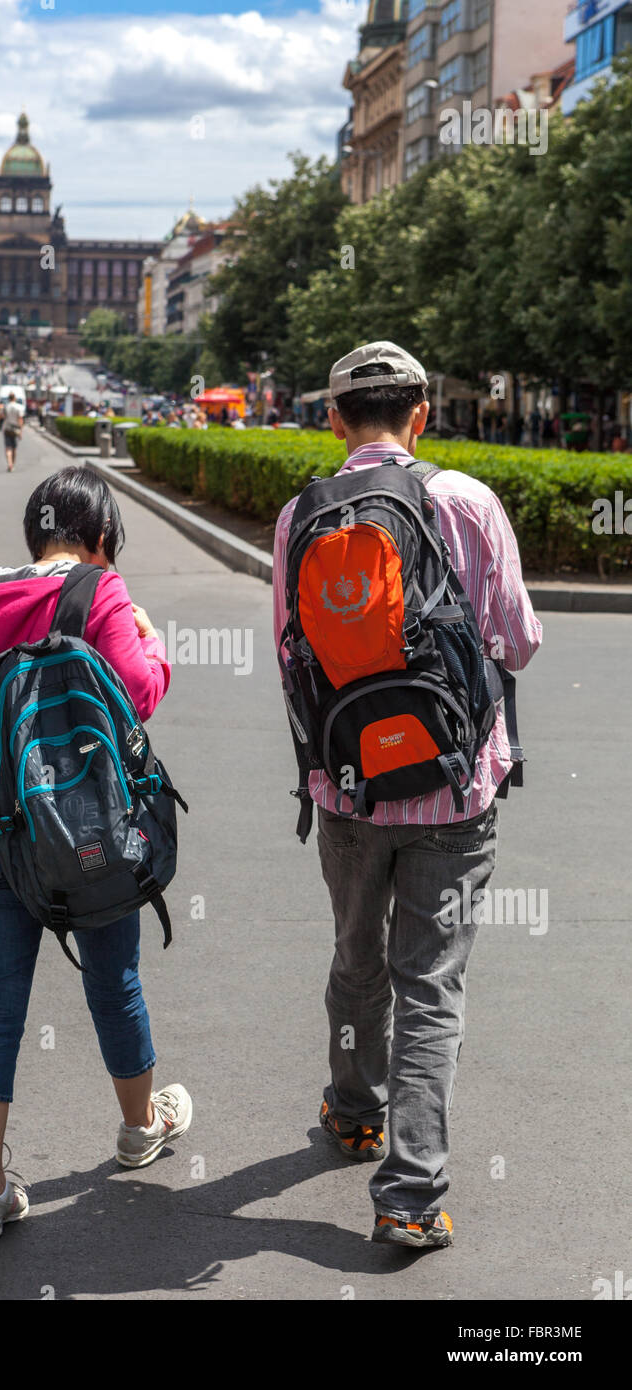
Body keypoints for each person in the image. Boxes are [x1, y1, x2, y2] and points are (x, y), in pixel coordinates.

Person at [273, 342, 542, 1250]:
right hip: (456, 786)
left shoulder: (298, 516)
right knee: (432, 985)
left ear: (335, 420)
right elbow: (519, 640)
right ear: (420, 415)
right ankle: (410, 1197)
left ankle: (354, 1112)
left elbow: (290, 652)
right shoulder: (468, 501)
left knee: (358, 962)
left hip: (346, 789)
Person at [0, 467, 192, 1240]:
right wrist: (155, 643)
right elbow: (138, 694)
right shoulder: (102, 590)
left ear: (33, 534)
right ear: (103, 536)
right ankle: (138, 1128)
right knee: (114, 978)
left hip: (0, 824)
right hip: (89, 822)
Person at [2, 392, 23, 472]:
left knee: (8, 448)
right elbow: (20, 419)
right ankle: (13, 464)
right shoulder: (18, 407)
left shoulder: (6, 406)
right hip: (15, 429)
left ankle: (9, 464)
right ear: (14, 398)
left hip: (7, 428)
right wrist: (21, 432)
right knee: (14, 448)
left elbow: (2, 416)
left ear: (8, 398)